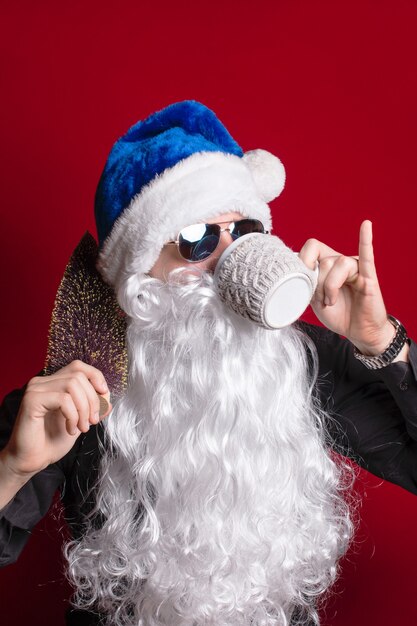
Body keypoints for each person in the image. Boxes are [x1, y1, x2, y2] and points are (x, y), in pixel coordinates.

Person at [0, 100, 416, 626]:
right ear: (140, 278)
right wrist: (12, 466)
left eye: (243, 232)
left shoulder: (296, 361)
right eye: (196, 239)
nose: (228, 259)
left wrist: (382, 343)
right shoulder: (78, 390)